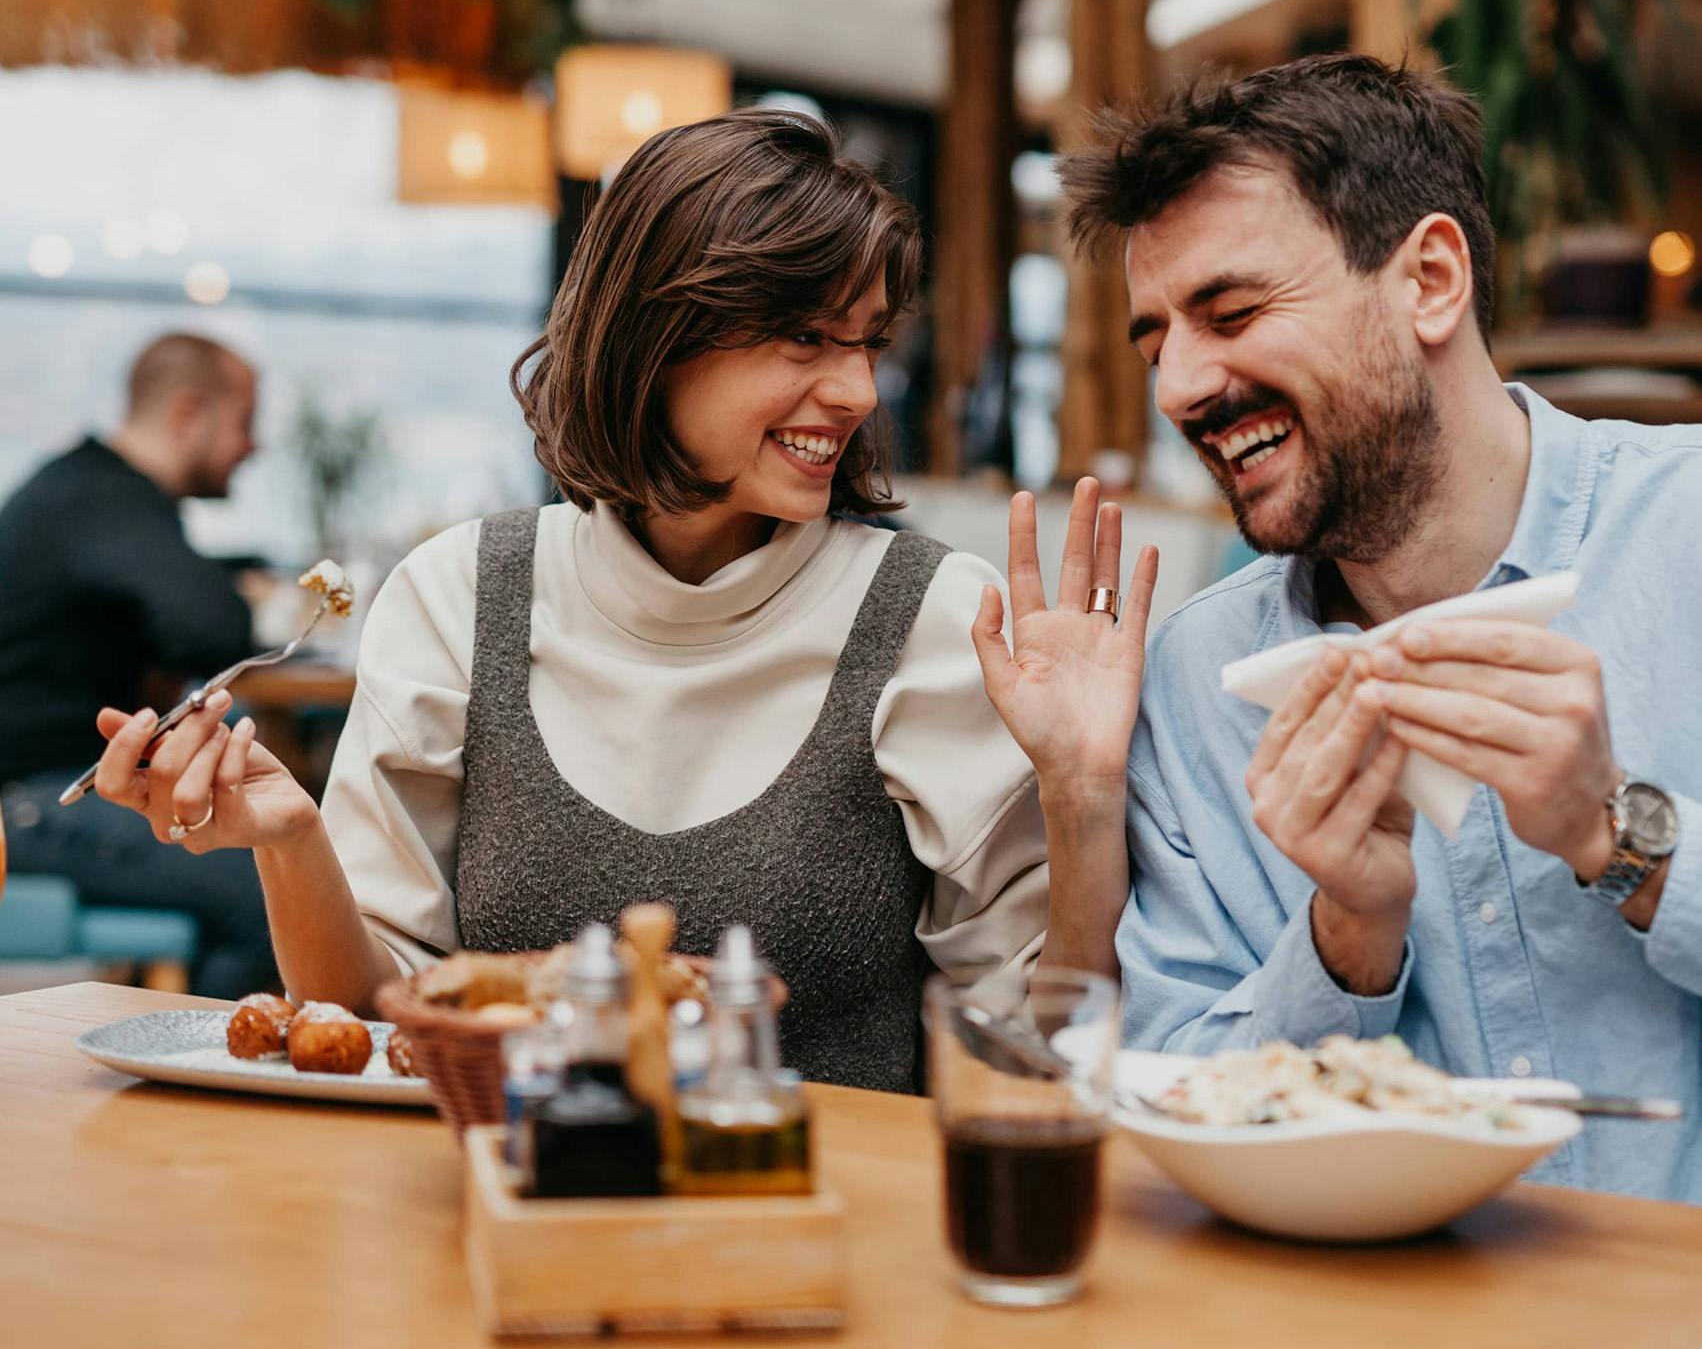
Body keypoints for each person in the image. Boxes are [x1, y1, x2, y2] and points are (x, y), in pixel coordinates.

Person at [84, 111, 1149, 1092]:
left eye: (867, 340)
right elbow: (370, 1024)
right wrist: (290, 841)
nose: (860, 391)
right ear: (656, 337)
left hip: (832, 1236)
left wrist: (1084, 797)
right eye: (807, 339)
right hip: (503, 1217)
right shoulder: (461, 595)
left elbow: (1033, 1043)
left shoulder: (932, 616)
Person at [978, 52, 1702, 1202]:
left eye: (1231, 311)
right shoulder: (1191, 678)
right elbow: (1171, 1095)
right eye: (1158, 342)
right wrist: (1346, 937)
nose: (1178, 390)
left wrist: (1619, 836)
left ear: (1428, 279)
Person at [0, 333, 277, 998]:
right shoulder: (106, 498)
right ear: (188, 415)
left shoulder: (83, 491)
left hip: (48, 790)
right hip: (32, 802)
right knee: (272, 893)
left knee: (274, 861)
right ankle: (211, 1088)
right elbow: (218, 628)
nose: (252, 446)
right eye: (243, 423)